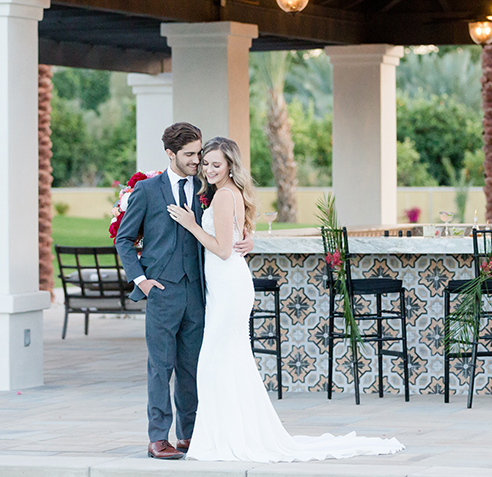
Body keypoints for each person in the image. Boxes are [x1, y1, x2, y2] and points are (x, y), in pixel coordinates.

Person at [170, 136, 405, 462]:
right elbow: (237, 238)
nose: (208, 169)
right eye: (206, 163)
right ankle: (231, 435)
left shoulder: (224, 196)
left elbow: (223, 249)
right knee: (228, 362)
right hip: (228, 286)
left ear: (229, 166)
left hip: (229, 288)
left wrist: (192, 225)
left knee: (212, 362)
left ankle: (225, 439)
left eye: (216, 164)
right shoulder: (225, 193)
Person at [115, 122, 253, 460]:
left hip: (200, 292)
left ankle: (190, 435)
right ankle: (158, 437)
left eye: (200, 153)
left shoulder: (205, 188)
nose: (198, 161)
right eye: (190, 155)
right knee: (160, 366)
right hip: (162, 291)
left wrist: (248, 238)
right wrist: (142, 280)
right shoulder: (147, 190)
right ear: (170, 154)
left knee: (193, 366)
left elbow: (230, 223)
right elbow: (123, 238)